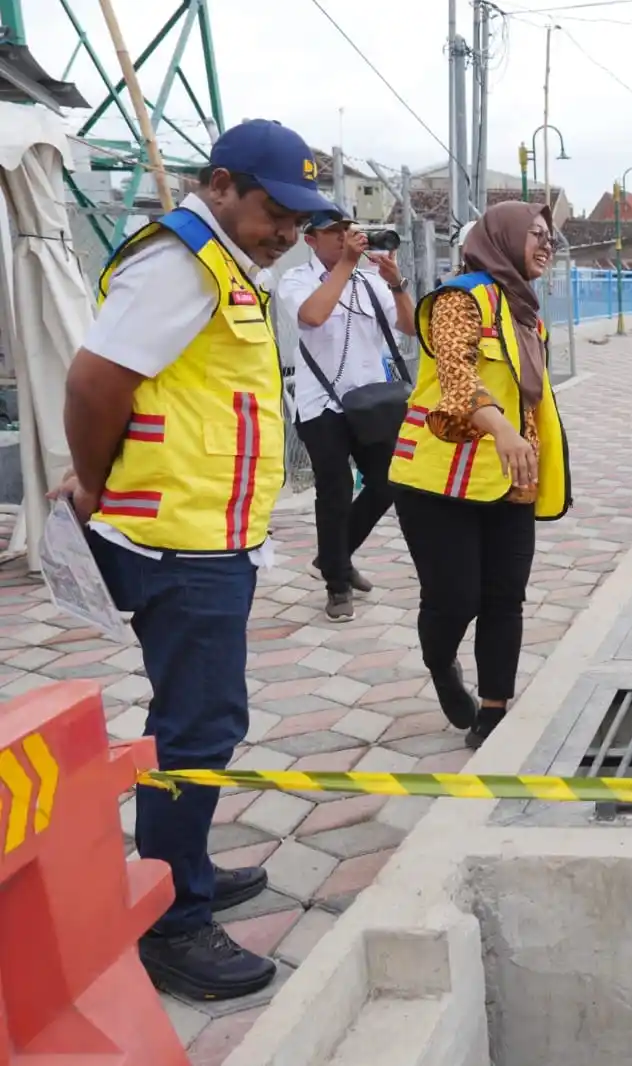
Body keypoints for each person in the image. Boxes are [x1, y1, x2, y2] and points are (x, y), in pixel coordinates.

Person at [57, 119, 336, 1000]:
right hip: (178, 541)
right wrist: (93, 483)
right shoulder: (182, 261)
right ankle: (173, 922)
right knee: (202, 727)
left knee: (194, 719)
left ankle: (186, 869)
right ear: (221, 185)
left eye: (299, 217)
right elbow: (94, 381)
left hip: (211, 535)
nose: (287, 231)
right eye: (273, 211)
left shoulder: (227, 266)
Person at [389, 201, 571, 750]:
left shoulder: (526, 313)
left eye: (551, 239)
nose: (546, 245)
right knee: (455, 599)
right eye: (535, 234)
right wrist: (501, 430)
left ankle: (494, 709)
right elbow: (455, 375)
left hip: (511, 480)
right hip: (438, 480)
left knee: (504, 599)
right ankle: (442, 662)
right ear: (503, 237)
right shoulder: (458, 300)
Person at [276, 211, 416, 622]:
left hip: (371, 400)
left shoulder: (370, 280)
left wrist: (397, 284)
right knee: (334, 492)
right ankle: (337, 585)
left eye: (349, 231)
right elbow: (312, 316)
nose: (344, 239)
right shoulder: (296, 280)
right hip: (321, 404)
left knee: (389, 482)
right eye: (334, 233)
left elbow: (409, 327)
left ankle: (333, 555)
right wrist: (346, 265)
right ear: (311, 239)